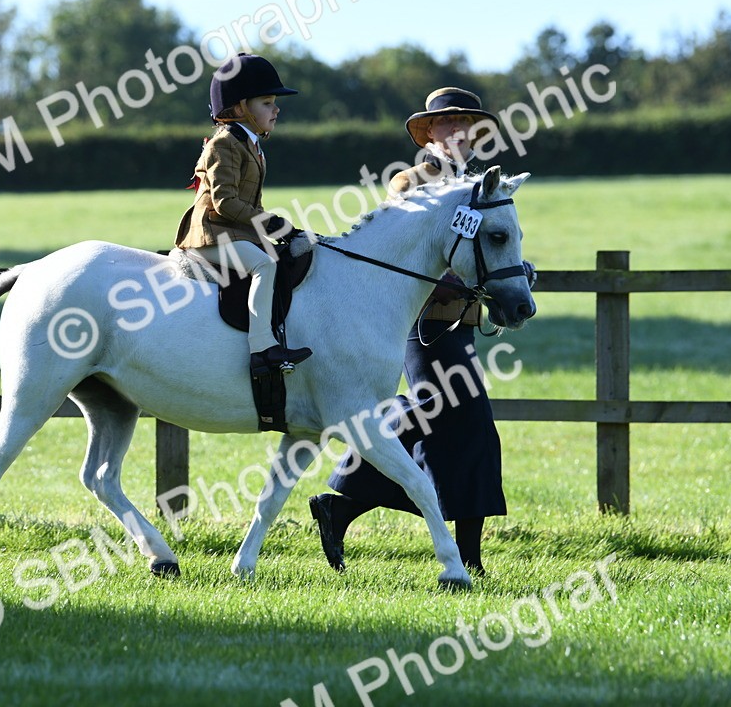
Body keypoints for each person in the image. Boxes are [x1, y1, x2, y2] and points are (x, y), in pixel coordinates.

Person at [308, 87, 533, 576]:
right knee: (463, 424)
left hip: (462, 326)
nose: (460, 133)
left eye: (468, 125)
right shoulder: (412, 182)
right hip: (423, 325)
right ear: (429, 132)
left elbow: (485, 251)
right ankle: (463, 558)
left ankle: (341, 506)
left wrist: (511, 269)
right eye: (448, 124)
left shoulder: (482, 187)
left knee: (458, 433)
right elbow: (409, 256)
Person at [175, 53, 312, 374]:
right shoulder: (224, 144)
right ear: (239, 109)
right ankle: (262, 348)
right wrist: (271, 223)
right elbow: (224, 202)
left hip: (234, 232)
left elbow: (251, 205)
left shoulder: (250, 144)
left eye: (274, 102)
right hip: (210, 233)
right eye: (267, 102)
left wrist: (279, 229)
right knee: (264, 264)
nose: (276, 109)